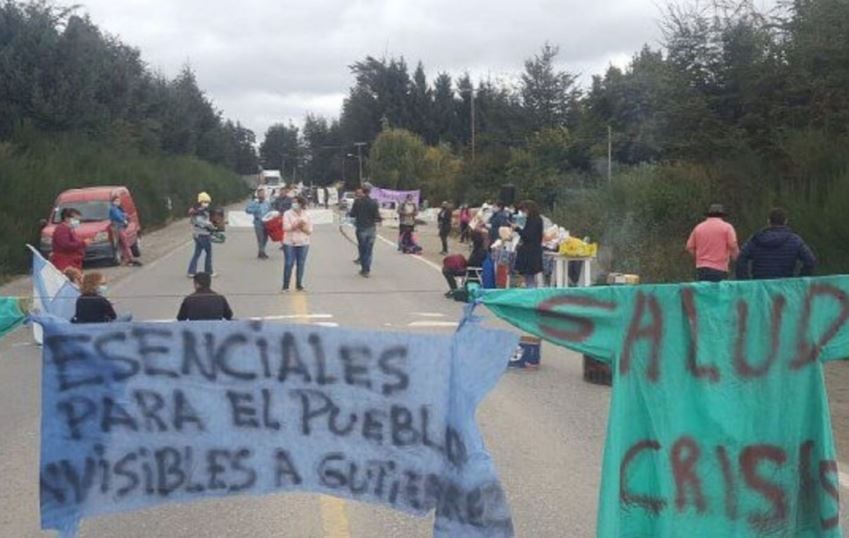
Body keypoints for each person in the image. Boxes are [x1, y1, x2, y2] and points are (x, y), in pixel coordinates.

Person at [736, 207, 816, 280]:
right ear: (786, 221)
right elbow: (810, 261)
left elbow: (741, 258)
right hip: (785, 287)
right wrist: (798, 280)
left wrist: (745, 281)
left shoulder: (756, 239)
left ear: (768, 221)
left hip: (760, 286)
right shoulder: (795, 240)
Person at [686, 203, 739, 282]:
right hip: (719, 268)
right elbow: (733, 245)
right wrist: (737, 259)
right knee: (718, 293)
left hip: (702, 268)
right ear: (722, 215)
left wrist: (700, 258)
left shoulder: (698, 227)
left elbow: (689, 247)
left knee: (705, 292)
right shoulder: (727, 227)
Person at [281, 196, 313, 291]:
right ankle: (285, 286)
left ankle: (299, 284)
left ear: (301, 204)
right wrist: (296, 225)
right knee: (289, 263)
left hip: (303, 242)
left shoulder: (306, 215)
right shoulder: (287, 213)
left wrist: (302, 227)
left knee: (301, 264)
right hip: (289, 242)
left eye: (296, 202)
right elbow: (285, 228)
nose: (294, 204)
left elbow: (309, 231)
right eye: (293, 202)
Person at [349, 183, 382, 277]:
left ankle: (364, 269)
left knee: (362, 249)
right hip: (371, 228)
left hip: (361, 228)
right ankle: (367, 269)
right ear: (370, 191)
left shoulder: (357, 202)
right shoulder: (374, 202)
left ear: (362, 190)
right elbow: (377, 217)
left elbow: (352, 214)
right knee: (369, 250)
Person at [442, 231, 487, 296]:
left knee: (446, 270)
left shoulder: (479, 251)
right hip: (472, 269)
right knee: (448, 267)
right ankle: (454, 289)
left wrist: (465, 263)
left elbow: (473, 262)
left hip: (471, 271)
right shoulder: (480, 249)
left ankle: (454, 289)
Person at [513, 201, 544, 288]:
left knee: (529, 276)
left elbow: (528, 235)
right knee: (529, 277)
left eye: (523, 210)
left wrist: (518, 229)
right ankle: (531, 289)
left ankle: (531, 292)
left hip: (530, 252)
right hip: (533, 250)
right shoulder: (538, 220)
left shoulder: (533, 221)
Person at [187, 192, 217, 278]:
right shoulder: (200, 212)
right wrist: (212, 225)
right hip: (203, 234)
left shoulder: (195, 211)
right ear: (201, 201)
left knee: (197, 253)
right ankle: (209, 271)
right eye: (205, 201)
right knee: (208, 253)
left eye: (208, 202)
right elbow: (202, 222)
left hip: (197, 234)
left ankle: (191, 271)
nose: (207, 204)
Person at [109, 195, 142, 266]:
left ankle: (126, 259)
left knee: (122, 244)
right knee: (125, 243)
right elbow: (117, 216)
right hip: (118, 228)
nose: (118, 202)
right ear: (113, 202)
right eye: (116, 201)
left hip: (119, 228)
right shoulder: (113, 209)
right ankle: (130, 259)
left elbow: (122, 214)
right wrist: (124, 220)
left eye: (118, 201)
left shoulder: (116, 208)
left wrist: (124, 216)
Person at [245, 188, 272, 259]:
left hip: (266, 223)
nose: (262, 194)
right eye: (260, 193)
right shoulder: (254, 203)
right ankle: (261, 252)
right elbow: (247, 210)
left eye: (263, 193)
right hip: (258, 222)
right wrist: (255, 209)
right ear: (258, 194)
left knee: (265, 238)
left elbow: (271, 212)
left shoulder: (267, 203)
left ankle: (262, 251)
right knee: (260, 238)